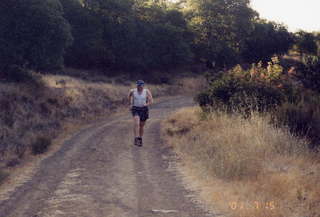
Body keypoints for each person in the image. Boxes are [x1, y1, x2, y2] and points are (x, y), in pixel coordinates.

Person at [128, 80, 153, 146]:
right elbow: (129, 96)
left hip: (144, 109)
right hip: (135, 108)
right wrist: (130, 104)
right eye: (138, 85)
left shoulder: (146, 91)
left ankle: (140, 138)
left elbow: (151, 101)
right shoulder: (132, 91)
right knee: (137, 123)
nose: (139, 87)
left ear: (143, 86)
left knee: (141, 125)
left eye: (141, 85)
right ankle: (136, 138)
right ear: (137, 85)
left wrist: (146, 104)